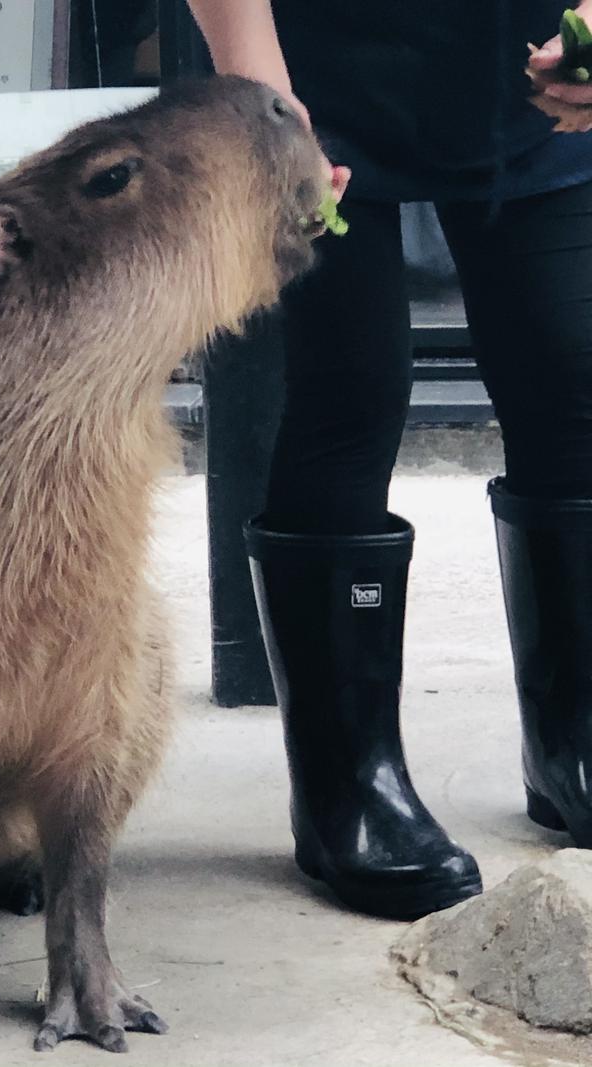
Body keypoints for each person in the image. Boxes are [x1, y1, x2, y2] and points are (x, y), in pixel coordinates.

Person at [187, 0, 592, 920]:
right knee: (351, 392)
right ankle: (346, 789)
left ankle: (575, 744)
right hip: (312, 81)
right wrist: (266, 111)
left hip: (528, 74)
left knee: (573, 375)